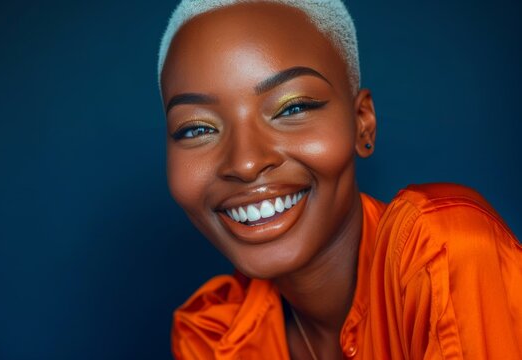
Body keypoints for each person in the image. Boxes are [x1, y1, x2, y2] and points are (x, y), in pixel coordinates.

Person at [157, 0, 522, 359]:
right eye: (197, 128)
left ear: (362, 122)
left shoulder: (444, 252)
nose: (246, 163)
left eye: (293, 108)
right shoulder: (212, 335)